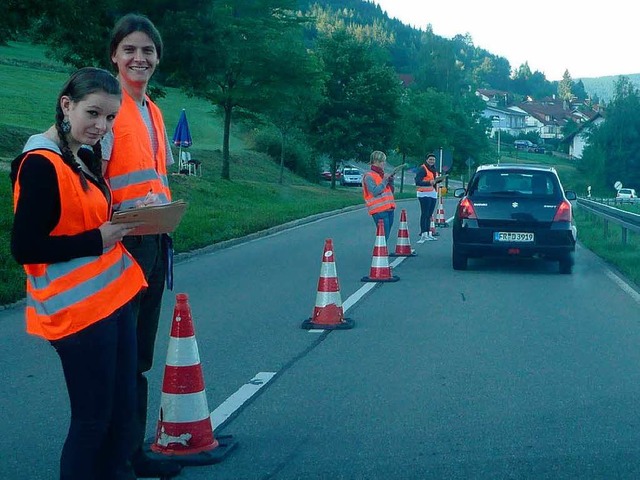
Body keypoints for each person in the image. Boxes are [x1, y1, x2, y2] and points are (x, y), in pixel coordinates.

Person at [10, 67, 147, 480]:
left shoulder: (82, 154)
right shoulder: (39, 164)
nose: (100, 126)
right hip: (77, 315)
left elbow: (83, 218)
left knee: (121, 409)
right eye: (93, 114)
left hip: (112, 302)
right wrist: (97, 240)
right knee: (92, 421)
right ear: (66, 106)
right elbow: (25, 248)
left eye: (109, 118)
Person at [101, 13, 181, 479]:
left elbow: (155, 176)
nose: (139, 58)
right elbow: (91, 179)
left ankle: (133, 453)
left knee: (139, 357)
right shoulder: (105, 105)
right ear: (114, 54)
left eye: (148, 50)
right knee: (117, 355)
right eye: (130, 49)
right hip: (117, 246)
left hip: (152, 241)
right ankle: (113, 458)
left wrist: (166, 211)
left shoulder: (152, 110)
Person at [362, 150, 396, 241]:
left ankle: (382, 252)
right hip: (379, 210)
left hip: (389, 208)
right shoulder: (369, 176)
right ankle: (380, 253)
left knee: (386, 234)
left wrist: (391, 182)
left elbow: (390, 191)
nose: (384, 163)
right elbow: (374, 192)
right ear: (376, 161)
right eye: (382, 161)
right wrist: (384, 181)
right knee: (383, 235)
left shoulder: (382, 174)